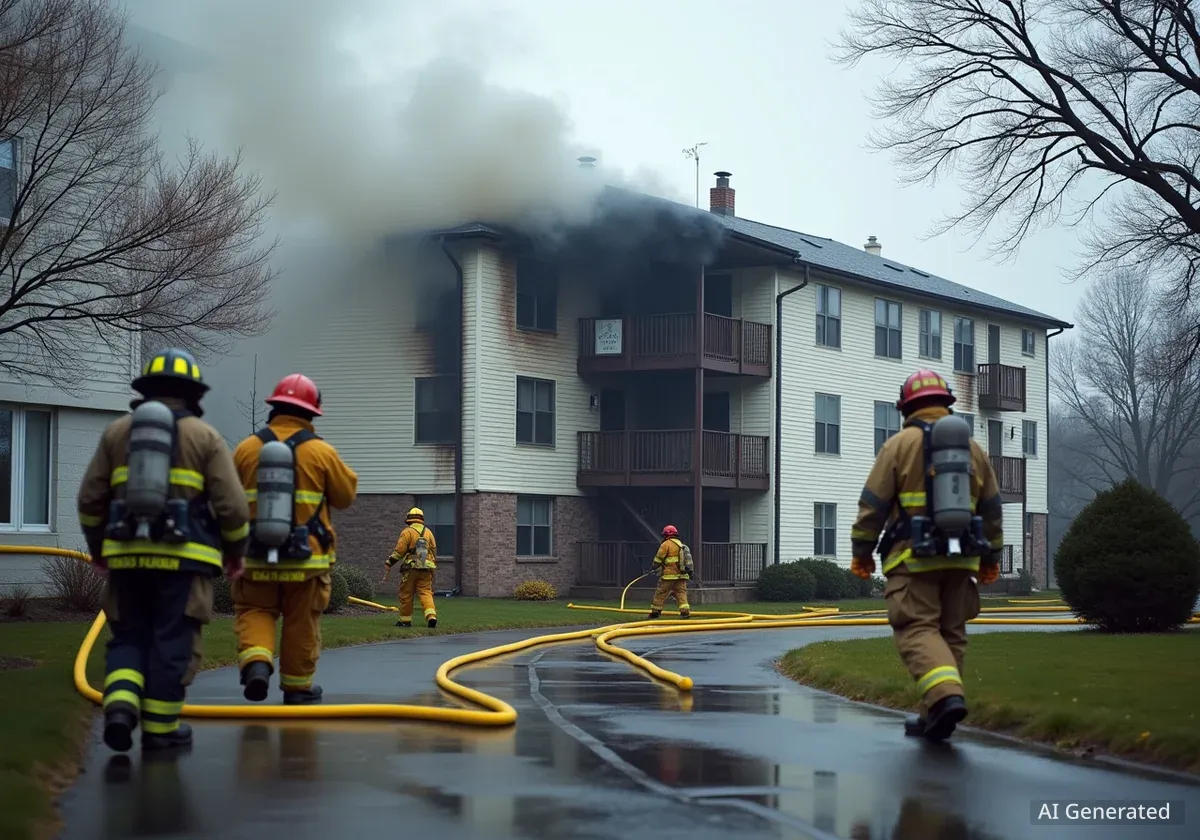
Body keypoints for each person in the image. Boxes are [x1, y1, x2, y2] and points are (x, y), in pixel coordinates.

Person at [77, 348, 250, 752]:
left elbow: (89, 499)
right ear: (193, 395)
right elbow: (233, 507)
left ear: (146, 389)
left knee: (127, 637)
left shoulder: (117, 432)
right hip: (184, 564)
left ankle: (119, 708)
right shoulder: (206, 437)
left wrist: (99, 549)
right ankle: (160, 730)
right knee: (172, 642)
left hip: (126, 561)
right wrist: (235, 552)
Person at [850, 369, 1004, 742]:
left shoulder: (898, 445)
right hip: (962, 559)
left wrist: (862, 552)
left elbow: (873, 505)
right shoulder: (974, 449)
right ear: (946, 403)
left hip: (913, 558)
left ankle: (945, 696)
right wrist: (991, 559)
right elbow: (992, 508)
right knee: (951, 632)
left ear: (907, 408)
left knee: (917, 628)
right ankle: (934, 713)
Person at [232, 374, 358, 705]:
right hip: (307, 560)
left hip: (255, 556)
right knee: (302, 621)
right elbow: (345, 497)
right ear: (311, 413)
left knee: (256, 609)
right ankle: (297, 687)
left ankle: (257, 664)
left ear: (274, 409)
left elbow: (226, 502)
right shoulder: (321, 452)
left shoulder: (245, 450)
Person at [383, 507, 438, 628]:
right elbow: (433, 551)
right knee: (426, 592)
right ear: (421, 519)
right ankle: (431, 617)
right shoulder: (428, 532)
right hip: (426, 568)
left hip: (410, 568)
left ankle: (405, 620)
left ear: (409, 519)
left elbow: (399, 551)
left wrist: (389, 563)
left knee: (406, 593)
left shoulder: (407, 532)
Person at [647, 525, 693, 619]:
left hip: (669, 575)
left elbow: (658, 558)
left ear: (666, 535)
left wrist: (654, 567)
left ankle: (655, 613)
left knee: (661, 592)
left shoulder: (666, 544)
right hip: (681, 575)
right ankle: (685, 613)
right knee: (681, 593)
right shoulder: (681, 544)